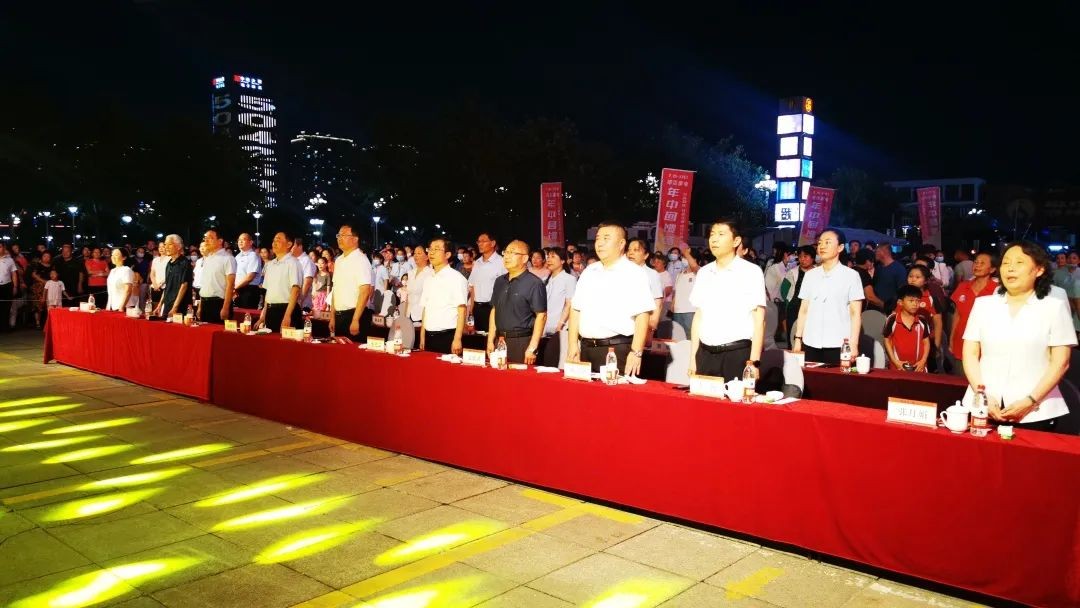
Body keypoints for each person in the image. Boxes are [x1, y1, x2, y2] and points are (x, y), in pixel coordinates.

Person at [962, 241, 1077, 433]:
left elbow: (1061, 362)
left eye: (1019, 262)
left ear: (1039, 270)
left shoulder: (1053, 307)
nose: (1010, 268)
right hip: (984, 407)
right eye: (1006, 263)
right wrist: (982, 396)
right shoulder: (983, 305)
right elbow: (970, 354)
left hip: (1036, 411)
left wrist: (1030, 401)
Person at [567, 222, 654, 375]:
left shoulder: (634, 273)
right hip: (586, 348)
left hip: (616, 350)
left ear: (621, 244)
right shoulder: (589, 271)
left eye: (606, 238)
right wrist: (573, 344)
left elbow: (642, 315)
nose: (600, 243)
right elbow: (576, 309)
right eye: (598, 238)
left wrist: (636, 352)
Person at [687, 219, 767, 381]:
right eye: (712, 235)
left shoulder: (751, 272)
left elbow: (759, 319)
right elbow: (699, 316)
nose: (714, 239)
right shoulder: (704, 272)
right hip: (705, 353)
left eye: (721, 234)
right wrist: (693, 358)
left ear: (736, 241)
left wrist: (754, 362)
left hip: (736, 354)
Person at [792, 229, 864, 364]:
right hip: (811, 341)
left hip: (838, 343)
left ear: (840, 247)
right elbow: (804, 310)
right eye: (820, 243)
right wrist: (798, 339)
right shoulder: (810, 275)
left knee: (837, 377)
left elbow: (855, 313)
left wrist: (854, 344)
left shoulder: (851, 276)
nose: (822, 246)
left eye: (827, 242)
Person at [487, 240, 547, 364]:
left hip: (521, 341)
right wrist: (490, 340)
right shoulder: (499, 281)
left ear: (525, 258)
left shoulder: (534, 283)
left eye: (512, 253)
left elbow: (541, 315)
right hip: (499, 340)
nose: (506, 256)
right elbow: (494, 310)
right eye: (506, 252)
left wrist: (532, 347)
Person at [948, 251, 998, 377]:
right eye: (976, 262)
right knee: (960, 380)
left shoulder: (998, 290)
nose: (977, 265)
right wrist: (951, 339)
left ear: (992, 269)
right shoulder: (963, 286)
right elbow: (957, 315)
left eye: (982, 263)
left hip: (986, 346)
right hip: (962, 342)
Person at [419, 238, 468, 355]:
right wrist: (422, 336)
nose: (431, 253)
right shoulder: (428, 278)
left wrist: (457, 339)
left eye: (436, 249)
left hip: (447, 336)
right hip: (428, 335)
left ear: (447, 254)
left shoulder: (456, 278)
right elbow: (425, 308)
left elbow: (462, 310)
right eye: (430, 249)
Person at [328, 222, 373, 341]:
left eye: (343, 235)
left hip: (355, 315)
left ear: (355, 239)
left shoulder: (361, 260)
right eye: (338, 235)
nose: (339, 238)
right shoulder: (339, 260)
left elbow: (365, 291)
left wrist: (355, 319)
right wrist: (332, 317)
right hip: (339, 316)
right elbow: (335, 290)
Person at [257, 231, 303, 332]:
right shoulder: (270, 265)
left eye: (278, 240)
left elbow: (295, 291)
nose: (274, 243)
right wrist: (263, 315)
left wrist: (287, 316)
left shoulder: (293, 263)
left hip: (287, 309)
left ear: (289, 244)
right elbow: (268, 293)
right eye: (273, 240)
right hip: (271, 310)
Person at [898, 264, 943, 360]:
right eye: (910, 276)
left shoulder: (931, 299)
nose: (913, 279)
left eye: (917, 277)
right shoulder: (901, 297)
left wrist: (937, 345)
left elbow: (938, 323)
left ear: (926, 280)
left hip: (925, 342)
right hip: (903, 342)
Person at [883, 285, 932, 372]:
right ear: (900, 302)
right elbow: (887, 340)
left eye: (918, 301)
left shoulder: (922, 321)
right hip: (897, 367)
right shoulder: (892, 319)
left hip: (919, 368)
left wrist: (923, 361)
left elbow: (926, 343)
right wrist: (894, 361)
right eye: (911, 301)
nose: (915, 304)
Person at [467, 231, 507, 333]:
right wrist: (471, 312)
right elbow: (473, 288)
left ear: (493, 243)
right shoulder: (477, 263)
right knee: (478, 339)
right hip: (477, 309)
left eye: (483, 241)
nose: (480, 244)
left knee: (493, 338)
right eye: (478, 242)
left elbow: (506, 288)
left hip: (494, 309)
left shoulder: (502, 262)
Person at [196, 229, 236, 324]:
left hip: (219, 303)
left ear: (220, 241)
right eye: (205, 238)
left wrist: (225, 307)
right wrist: (200, 306)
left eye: (210, 238)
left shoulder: (228, 258)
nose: (206, 241)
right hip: (205, 302)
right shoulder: (207, 258)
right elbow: (205, 284)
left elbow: (230, 285)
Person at [542, 247, 576, 357]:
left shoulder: (569, 279)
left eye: (553, 257)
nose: (549, 259)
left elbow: (569, 304)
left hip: (559, 328)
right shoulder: (545, 280)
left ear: (562, 261)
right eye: (548, 257)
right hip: (544, 327)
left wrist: (560, 325)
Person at [626, 238, 664, 339]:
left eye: (636, 250)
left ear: (646, 255)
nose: (630, 253)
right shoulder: (622, 272)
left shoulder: (652, 274)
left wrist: (652, 324)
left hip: (642, 325)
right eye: (629, 250)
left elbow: (658, 301)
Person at [781, 245, 815, 345]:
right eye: (800, 257)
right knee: (792, 334)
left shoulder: (818, 272)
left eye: (805, 256)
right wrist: (788, 302)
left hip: (812, 308)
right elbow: (783, 290)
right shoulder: (792, 272)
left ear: (812, 258)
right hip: (794, 307)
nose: (802, 259)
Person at [157, 234, 194, 318]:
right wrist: (160, 305)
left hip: (180, 306)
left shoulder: (185, 263)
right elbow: (167, 286)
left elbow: (184, 286)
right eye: (165, 244)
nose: (166, 247)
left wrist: (175, 307)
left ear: (178, 247)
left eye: (169, 244)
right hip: (168, 305)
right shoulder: (169, 264)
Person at [671, 247, 704, 338]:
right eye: (683, 257)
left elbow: (694, 266)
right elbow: (677, 291)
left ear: (694, 259)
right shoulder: (680, 274)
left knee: (690, 337)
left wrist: (686, 252)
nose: (683, 259)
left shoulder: (699, 272)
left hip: (691, 311)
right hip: (678, 311)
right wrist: (673, 304)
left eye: (686, 257)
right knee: (677, 337)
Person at [872, 243, 907, 312]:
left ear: (883, 252)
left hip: (890, 309)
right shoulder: (878, 267)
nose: (874, 254)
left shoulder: (899, 269)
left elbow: (902, 291)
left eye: (876, 251)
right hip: (876, 308)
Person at [404, 244, 433, 327]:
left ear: (427, 257)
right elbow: (408, 296)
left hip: (421, 317)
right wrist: (405, 314)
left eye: (419, 253)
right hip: (408, 315)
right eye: (415, 253)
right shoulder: (411, 273)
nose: (415, 256)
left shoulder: (430, 273)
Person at [234, 233, 263, 309]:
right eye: (239, 240)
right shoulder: (237, 257)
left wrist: (235, 288)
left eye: (243, 239)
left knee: (247, 315)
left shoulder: (253, 256)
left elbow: (250, 277)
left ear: (251, 242)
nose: (240, 242)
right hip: (237, 290)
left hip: (249, 290)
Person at [291, 237, 317, 310]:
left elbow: (307, 283)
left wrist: (299, 302)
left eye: (292, 245)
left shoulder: (306, 261)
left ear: (300, 246)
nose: (289, 248)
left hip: (302, 305)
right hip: (291, 302)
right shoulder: (292, 260)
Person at [29, 251, 53, 329]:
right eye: (44, 256)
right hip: (38, 287)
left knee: (49, 304)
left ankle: (48, 322)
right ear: (42, 257)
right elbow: (33, 275)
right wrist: (43, 281)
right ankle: (37, 322)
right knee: (38, 305)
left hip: (50, 287)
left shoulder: (52, 266)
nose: (46, 258)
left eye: (48, 256)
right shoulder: (38, 265)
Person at [0, 244, 17, 331]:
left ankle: (5, 326)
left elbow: (14, 273)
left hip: (7, 285)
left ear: (4, 248)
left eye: (0, 247)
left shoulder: (10, 260)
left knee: (6, 307)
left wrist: (15, 286)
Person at [148, 242, 169, 310]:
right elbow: (152, 273)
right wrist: (155, 284)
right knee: (155, 306)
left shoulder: (170, 259)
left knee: (164, 307)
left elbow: (169, 274)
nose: (161, 249)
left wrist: (160, 284)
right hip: (155, 286)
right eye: (160, 247)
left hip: (165, 286)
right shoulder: (155, 260)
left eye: (163, 247)